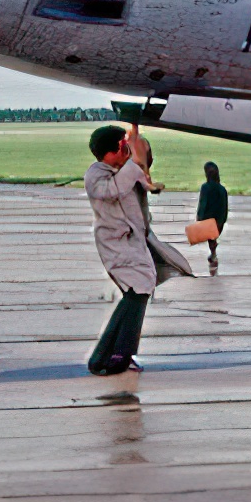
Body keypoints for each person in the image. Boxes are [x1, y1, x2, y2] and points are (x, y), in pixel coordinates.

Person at [86, 123, 161, 375]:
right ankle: (116, 354)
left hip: (133, 244)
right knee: (138, 290)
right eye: (123, 145)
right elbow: (110, 190)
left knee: (137, 292)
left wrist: (140, 157)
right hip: (116, 245)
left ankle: (110, 354)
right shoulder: (96, 174)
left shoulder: (121, 169)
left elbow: (145, 180)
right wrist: (133, 163)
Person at [197, 161, 229, 273]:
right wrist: (223, 220)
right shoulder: (222, 189)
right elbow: (225, 206)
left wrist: (199, 217)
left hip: (208, 218)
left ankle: (213, 254)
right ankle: (213, 254)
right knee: (213, 238)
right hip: (219, 219)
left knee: (211, 239)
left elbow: (203, 203)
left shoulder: (205, 187)